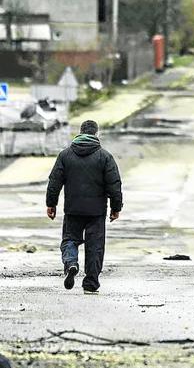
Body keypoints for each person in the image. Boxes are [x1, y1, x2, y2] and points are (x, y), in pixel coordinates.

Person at [46, 120, 123, 295]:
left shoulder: (65, 155)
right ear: (96, 134)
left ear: (80, 133)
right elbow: (114, 185)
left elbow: (54, 182)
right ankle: (91, 282)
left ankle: (71, 263)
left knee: (69, 239)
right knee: (95, 246)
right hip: (96, 211)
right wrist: (116, 207)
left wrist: (51, 204)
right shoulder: (105, 157)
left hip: (73, 209)